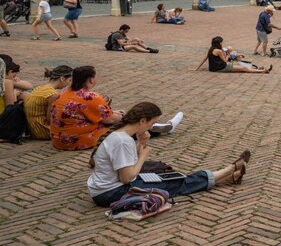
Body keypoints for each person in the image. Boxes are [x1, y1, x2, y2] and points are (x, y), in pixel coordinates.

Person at [86, 102, 251, 207]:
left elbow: (126, 165)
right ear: (142, 121)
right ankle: (228, 171)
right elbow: (127, 178)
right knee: (176, 183)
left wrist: (140, 143)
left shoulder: (122, 136)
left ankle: (228, 177)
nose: (151, 127)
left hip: (107, 188)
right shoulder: (123, 141)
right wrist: (144, 155)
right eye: (152, 123)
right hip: (111, 193)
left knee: (166, 177)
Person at [50, 66, 124, 150]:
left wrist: (113, 113)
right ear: (91, 79)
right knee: (123, 127)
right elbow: (110, 120)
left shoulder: (63, 93)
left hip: (58, 140)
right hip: (75, 141)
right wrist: (122, 115)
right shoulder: (90, 97)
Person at [24, 65, 73, 140]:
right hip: (43, 130)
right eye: (69, 80)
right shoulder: (52, 95)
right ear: (62, 78)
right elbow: (51, 119)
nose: (68, 84)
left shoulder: (39, 88)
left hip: (33, 128)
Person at [199, 37, 271, 74]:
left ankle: (258, 69)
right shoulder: (219, 51)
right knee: (244, 68)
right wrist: (228, 55)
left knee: (241, 68)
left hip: (212, 68)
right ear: (218, 43)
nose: (222, 43)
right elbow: (225, 61)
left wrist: (197, 68)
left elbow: (204, 59)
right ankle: (262, 71)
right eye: (221, 42)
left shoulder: (210, 49)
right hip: (221, 67)